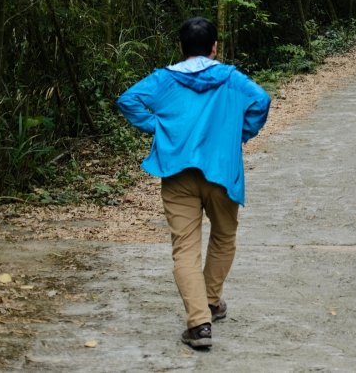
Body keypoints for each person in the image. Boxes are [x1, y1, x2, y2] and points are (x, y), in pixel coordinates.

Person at [116, 17, 271, 349]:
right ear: (214, 48)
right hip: (221, 172)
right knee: (224, 237)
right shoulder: (231, 78)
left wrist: (160, 127)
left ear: (180, 48)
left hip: (178, 174)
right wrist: (238, 134)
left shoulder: (164, 79)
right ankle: (211, 301)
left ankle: (200, 324)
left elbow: (127, 100)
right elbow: (262, 101)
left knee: (184, 248)